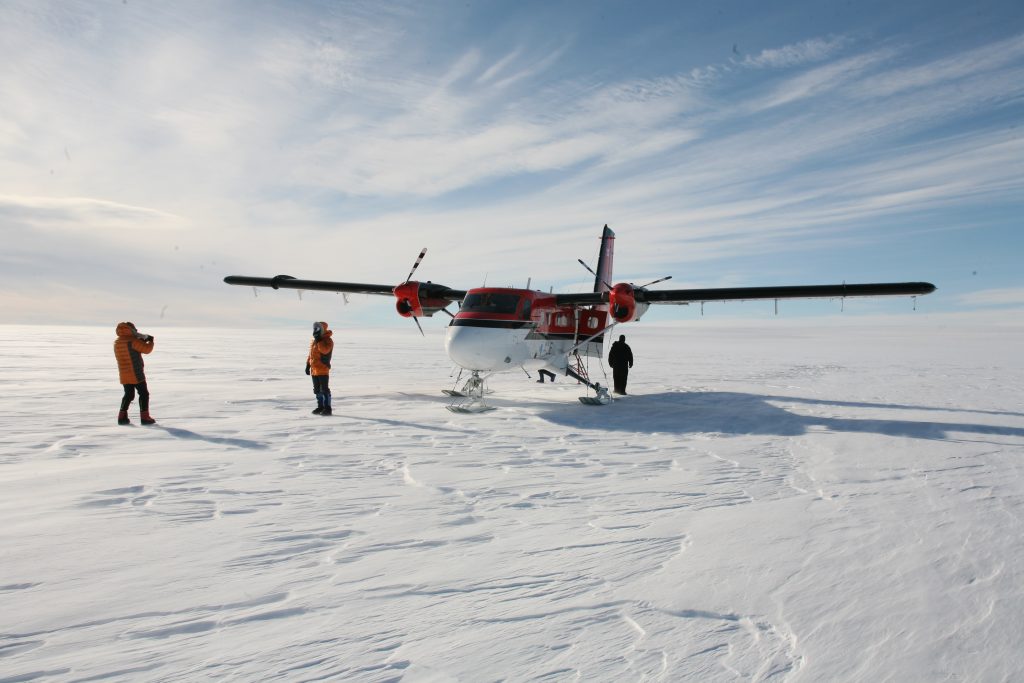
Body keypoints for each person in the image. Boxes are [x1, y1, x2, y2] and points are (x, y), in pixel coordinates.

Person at [114, 321, 156, 425]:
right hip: (136, 373)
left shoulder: (117, 342)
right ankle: (145, 418)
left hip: (124, 374)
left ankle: (121, 417)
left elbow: (131, 350)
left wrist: (139, 339)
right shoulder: (132, 341)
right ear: (131, 330)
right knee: (144, 394)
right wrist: (150, 341)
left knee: (128, 394)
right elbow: (147, 349)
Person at [306, 321, 334, 415]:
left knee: (324, 389)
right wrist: (307, 365)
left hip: (323, 369)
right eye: (314, 328)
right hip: (314, 370)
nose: (315, 330)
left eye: (317, 329)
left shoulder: (328, 340)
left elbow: (325, 351)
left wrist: (319, 341)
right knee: (317, 390)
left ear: (322, 330)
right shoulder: (315, 340)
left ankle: (327, 408)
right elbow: (311, 354)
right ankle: (320, 407)